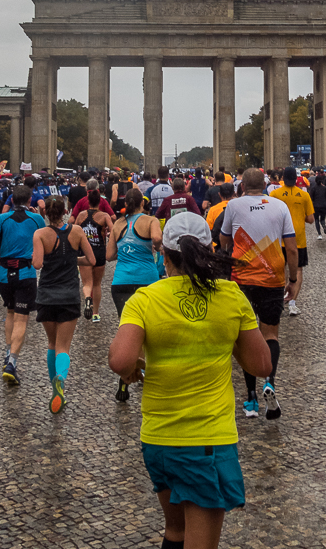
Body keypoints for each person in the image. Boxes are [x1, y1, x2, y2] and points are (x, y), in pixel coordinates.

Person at [108, 212, 270, 549]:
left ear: (163, 255)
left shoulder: (144, 299)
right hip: (207, 441)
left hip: (159, 440)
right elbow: (261, 364)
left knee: (176, 532)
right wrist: (228, 339)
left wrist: (133, 367)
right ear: (209, 250)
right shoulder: (230, 296)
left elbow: (120, 360)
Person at [220, 168, 298, 420]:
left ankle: (251, 398)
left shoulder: (233, 206)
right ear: (265, 185)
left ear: (242, 186)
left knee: (245, 335)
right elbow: (292, 248)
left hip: (242, 278)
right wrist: (293, 279)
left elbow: (223, 240)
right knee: (270, 334)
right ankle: (270, 382)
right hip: (272, 276)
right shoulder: (279, 205)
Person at [32, 196, 95, 414]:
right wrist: (72, 260)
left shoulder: (40, 234)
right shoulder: (77, 231)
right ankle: (61, 381)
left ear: (46, 214)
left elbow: (38, 264)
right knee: (63, 347)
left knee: (51, 344)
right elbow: (92, 260)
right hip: (68, 295)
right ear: (65, 211)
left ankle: (55, 390)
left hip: (47, 295)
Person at [0, 185, 46, 385]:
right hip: (26, 273)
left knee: (10, 312)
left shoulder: (2, 219)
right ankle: (12, 361)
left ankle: (7, 352)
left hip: (4, 274)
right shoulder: (36, 219)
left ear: (11, 200)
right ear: (29, 200)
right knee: (21, 319)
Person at [108, 188, 164, 402]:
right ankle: (140, 373)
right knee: (146, 330)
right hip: (146, 282)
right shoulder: (150, 221)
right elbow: (157, 239)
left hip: (121, 282)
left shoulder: (118, 224)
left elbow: (109, 255)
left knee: (127, 328)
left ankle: (125, 376)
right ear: (143, 203)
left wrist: (127, 249)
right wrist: (156, 248)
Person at [271, 167, 314, 317]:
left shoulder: (274, 194)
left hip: (279, 238)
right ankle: (293, 303)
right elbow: (310, 219)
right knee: (299, 270)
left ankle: (280, 299)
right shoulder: (304, 195)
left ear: (282, 178)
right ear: (296, 178)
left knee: (280, 269)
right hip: (298, 239)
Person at [74, 187, 112, 323]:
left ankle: (87, 299)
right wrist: (106, 233)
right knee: (97, 284)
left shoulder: (81, 216)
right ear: (100, 202)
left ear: (88, 201)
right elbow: (113, 232)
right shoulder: (104, 216)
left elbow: (74, 229)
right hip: (99, 251)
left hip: (83, 251)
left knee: (86, 283)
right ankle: (95, 313)